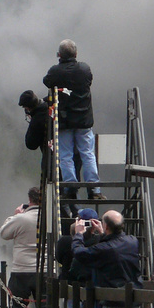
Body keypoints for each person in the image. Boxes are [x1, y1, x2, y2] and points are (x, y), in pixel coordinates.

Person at [43, 39, 103, 205]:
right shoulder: (84, 69)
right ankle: (94, 189)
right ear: (76, 54)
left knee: (66, 156)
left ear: (59, 55)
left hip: (64, 120)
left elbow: (46, 81)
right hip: (84, 120)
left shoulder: (55, 71)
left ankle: (70, 189)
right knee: (87, 154)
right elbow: (89, 81)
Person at [70, 210, 142, 308]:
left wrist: (78, 235)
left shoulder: (105, 249)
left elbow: (79, 253)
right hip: (133, 298)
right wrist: (103, 233)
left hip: (113, 301)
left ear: (107, 226)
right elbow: (114, 246)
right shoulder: (132, 241)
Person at [0, 186, 43, 308]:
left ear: (29, 200)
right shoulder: (50, 218)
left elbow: (4, 234)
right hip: (44, 271)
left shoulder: (21, 218)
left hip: (22, 270)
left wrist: (15, 215)